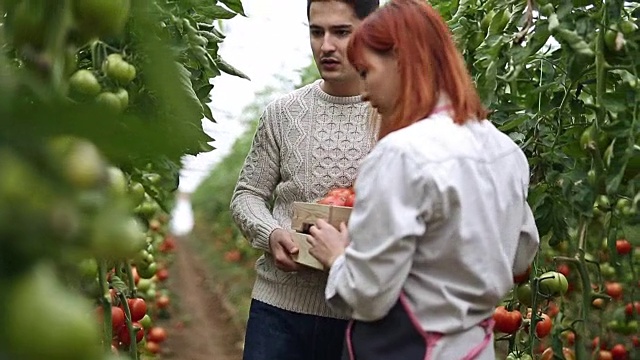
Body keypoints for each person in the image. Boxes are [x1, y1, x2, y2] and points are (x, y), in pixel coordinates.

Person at [306, 0, 540, 359]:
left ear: (402, 59)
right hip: (475, 348)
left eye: (367, 72)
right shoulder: (505, 150)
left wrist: (339, 257)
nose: (365, 93)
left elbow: (367, 295)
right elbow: (520, 253)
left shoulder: (401, 154)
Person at [229, 1, 379, 359]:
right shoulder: (283, 114)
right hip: (278, 308)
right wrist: (271, 234)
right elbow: (247, 194)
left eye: (341, 32)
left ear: (371, 31)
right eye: (316, 32)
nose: (326, 45)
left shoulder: (391, 114)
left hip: (358, 314)